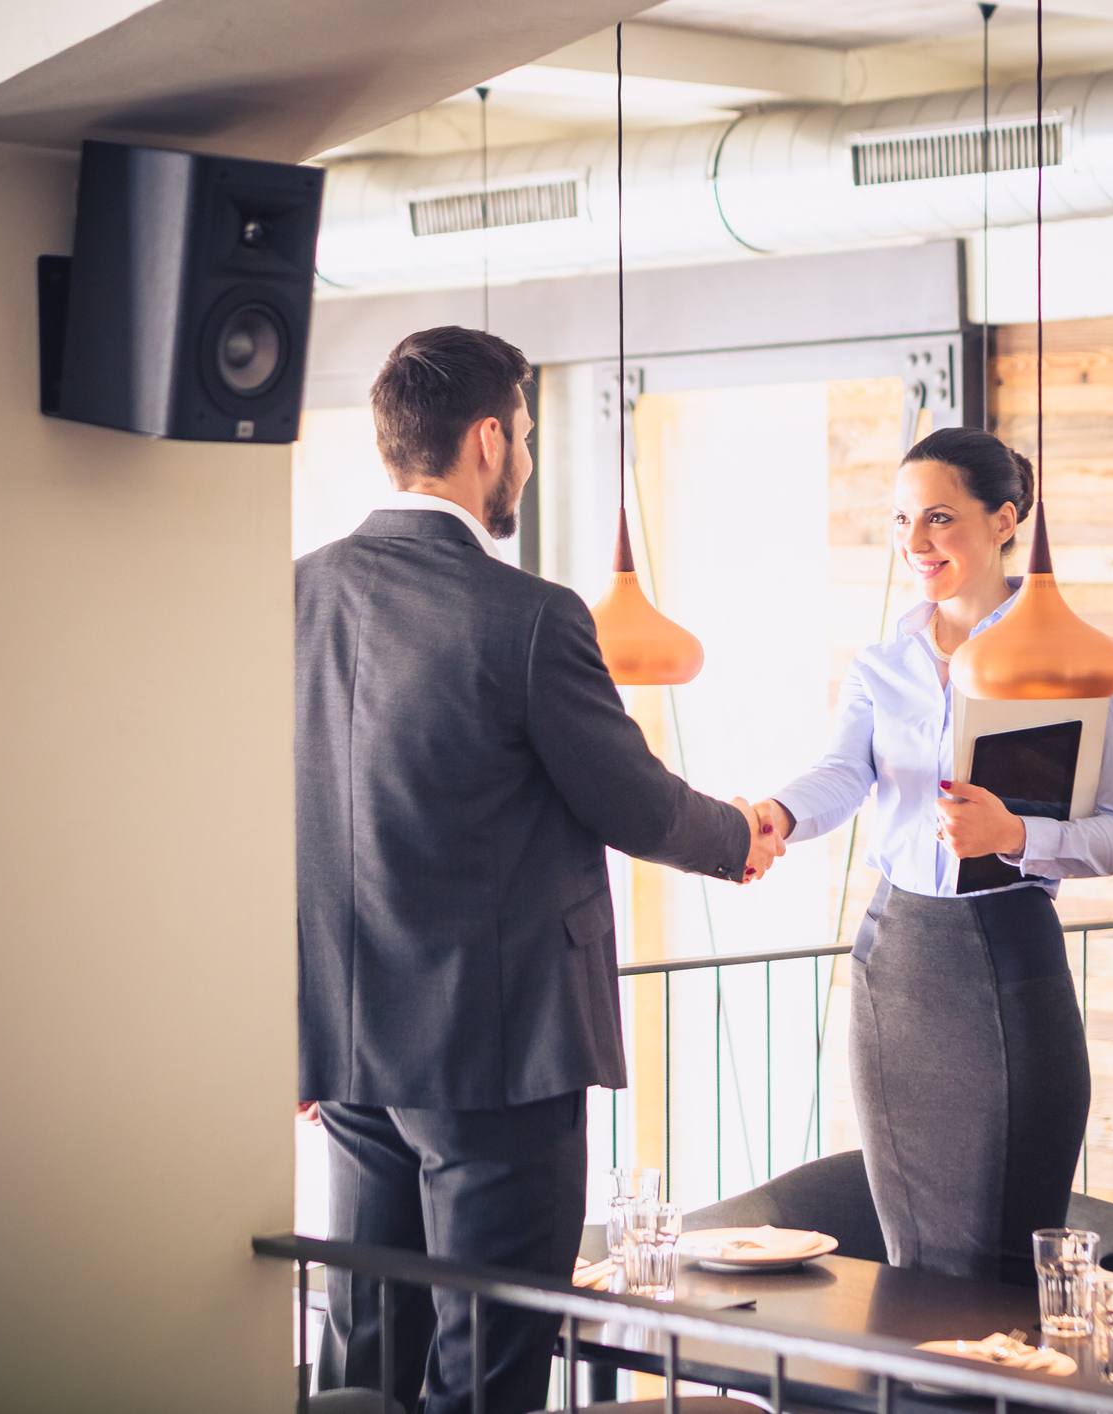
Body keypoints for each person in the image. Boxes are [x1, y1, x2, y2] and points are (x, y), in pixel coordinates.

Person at [296, 325, 783, 1414]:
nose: (522, 455)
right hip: (497, 1055)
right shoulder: (527, 617)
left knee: (364, 1349)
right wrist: (737, 836)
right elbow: (628, 797)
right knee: (488, 1362)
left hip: (351, 1051)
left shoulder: (296, 594)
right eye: (521, 434)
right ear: (485, 440)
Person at [752, 427, 1113, 1284]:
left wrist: (1016, 838)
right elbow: (841, 773)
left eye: (939, 517)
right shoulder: (882, 662)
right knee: (910, 1250)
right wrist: (779, 813)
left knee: (1000, 1251)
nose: (914, 542)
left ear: (1004, 520)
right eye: (901, 519)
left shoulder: (1067, 666)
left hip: (1008, 957)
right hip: (893, 960)